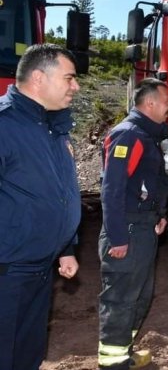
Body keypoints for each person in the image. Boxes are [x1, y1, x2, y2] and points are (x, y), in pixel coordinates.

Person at [0, 44, 82, 370]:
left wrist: (66, 247)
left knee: (28, 357)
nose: (75, 86)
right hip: (7, 273)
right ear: (38, 78)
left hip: (39, 270)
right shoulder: (5, 125)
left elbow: (59, 192)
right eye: (69, 78)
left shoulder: (52, 128)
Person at [97, 78, 168, 370]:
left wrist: (159, 214)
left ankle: (123, 352)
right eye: (166, 101)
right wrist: (117, 237)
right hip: (126, 229)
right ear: (150, 103)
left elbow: (150, 184)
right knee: (120, 299)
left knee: (140, 296)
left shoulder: (147, 135)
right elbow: (112, 190)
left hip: (142, 227)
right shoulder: (129, 135)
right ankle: (113, 363)